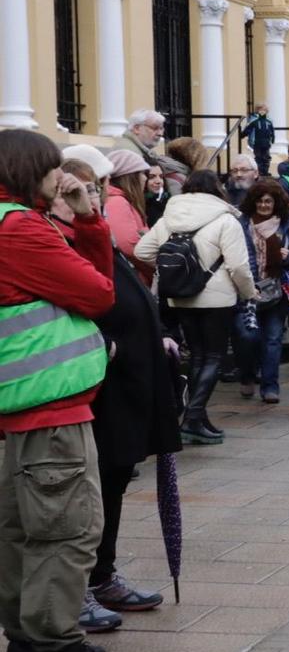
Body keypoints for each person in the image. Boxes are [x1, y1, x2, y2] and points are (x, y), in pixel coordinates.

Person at [0, 130, 132, 652]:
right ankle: (57, 647)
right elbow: (101, 293)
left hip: (21, 407)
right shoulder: (22, 229)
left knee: (21, 531)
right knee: (67, 530)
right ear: (31, 170)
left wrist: (88, 219)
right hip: (49, 405)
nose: (64, 179)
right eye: (55, 169)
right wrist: (88, 220)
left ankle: (27, 644)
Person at [64, 159, 173, 627]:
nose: (94, 198)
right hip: (98, 390)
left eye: (98, 187)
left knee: (114, 484)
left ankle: (102, 575)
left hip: (129, 382)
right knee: (90, 494)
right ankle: (84, 584)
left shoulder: (95, 231)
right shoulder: (59, 236)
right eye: (84, 190)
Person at [136, 170, 256, 443]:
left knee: (199, 356)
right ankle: (192, 418)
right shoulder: (226, 220)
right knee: (213, 357)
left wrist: (176, 272)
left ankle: (199, 418)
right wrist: (249, 293)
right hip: (217, 299)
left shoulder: (170, 217)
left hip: (180, 296)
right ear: (217, 189)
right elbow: (238, 266)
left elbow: (143, 250)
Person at [235, 178, 289, 404]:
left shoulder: (287, 223)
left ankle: (270, 387)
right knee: (246, 336)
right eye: (260, 201)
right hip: (247, 289)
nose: (264, 205)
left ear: (276, 202)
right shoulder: (241, 223)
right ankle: (247, 375)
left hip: (276, 288)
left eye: (268, 201)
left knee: (272, 339)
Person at [100, 150, 151, 267]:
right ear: (129, 176)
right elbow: (128, 245)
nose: (145, 178)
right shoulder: (117, 202)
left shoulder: (121, 200)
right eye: (142, 173)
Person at [239, 105, 277, 176]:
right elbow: (248, 129)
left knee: (266, 157)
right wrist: (242, 135)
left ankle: (265, 171)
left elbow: (272, 131)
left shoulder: (268, 122)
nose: (263, 112)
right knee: (258, 157)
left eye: (264, 110)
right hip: (257, 142)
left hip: (266, 143)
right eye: (261, 110)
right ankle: (260, 171)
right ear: (258, 111)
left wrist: (272, 139)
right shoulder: (254, 121)